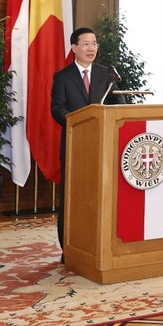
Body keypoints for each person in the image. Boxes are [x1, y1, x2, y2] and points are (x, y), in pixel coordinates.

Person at [51, 27, 126, 250]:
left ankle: (99, 246)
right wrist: (79, 123)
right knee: (72, 197)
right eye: (85, 44)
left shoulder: (106, 74)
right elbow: (57, 109)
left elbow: (118, 104)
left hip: (103, 146)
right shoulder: (63, 77)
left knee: (102, 196)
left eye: (94, 43)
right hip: (76, 145)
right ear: (74, 48)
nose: (91, 48)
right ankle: (69, 247)